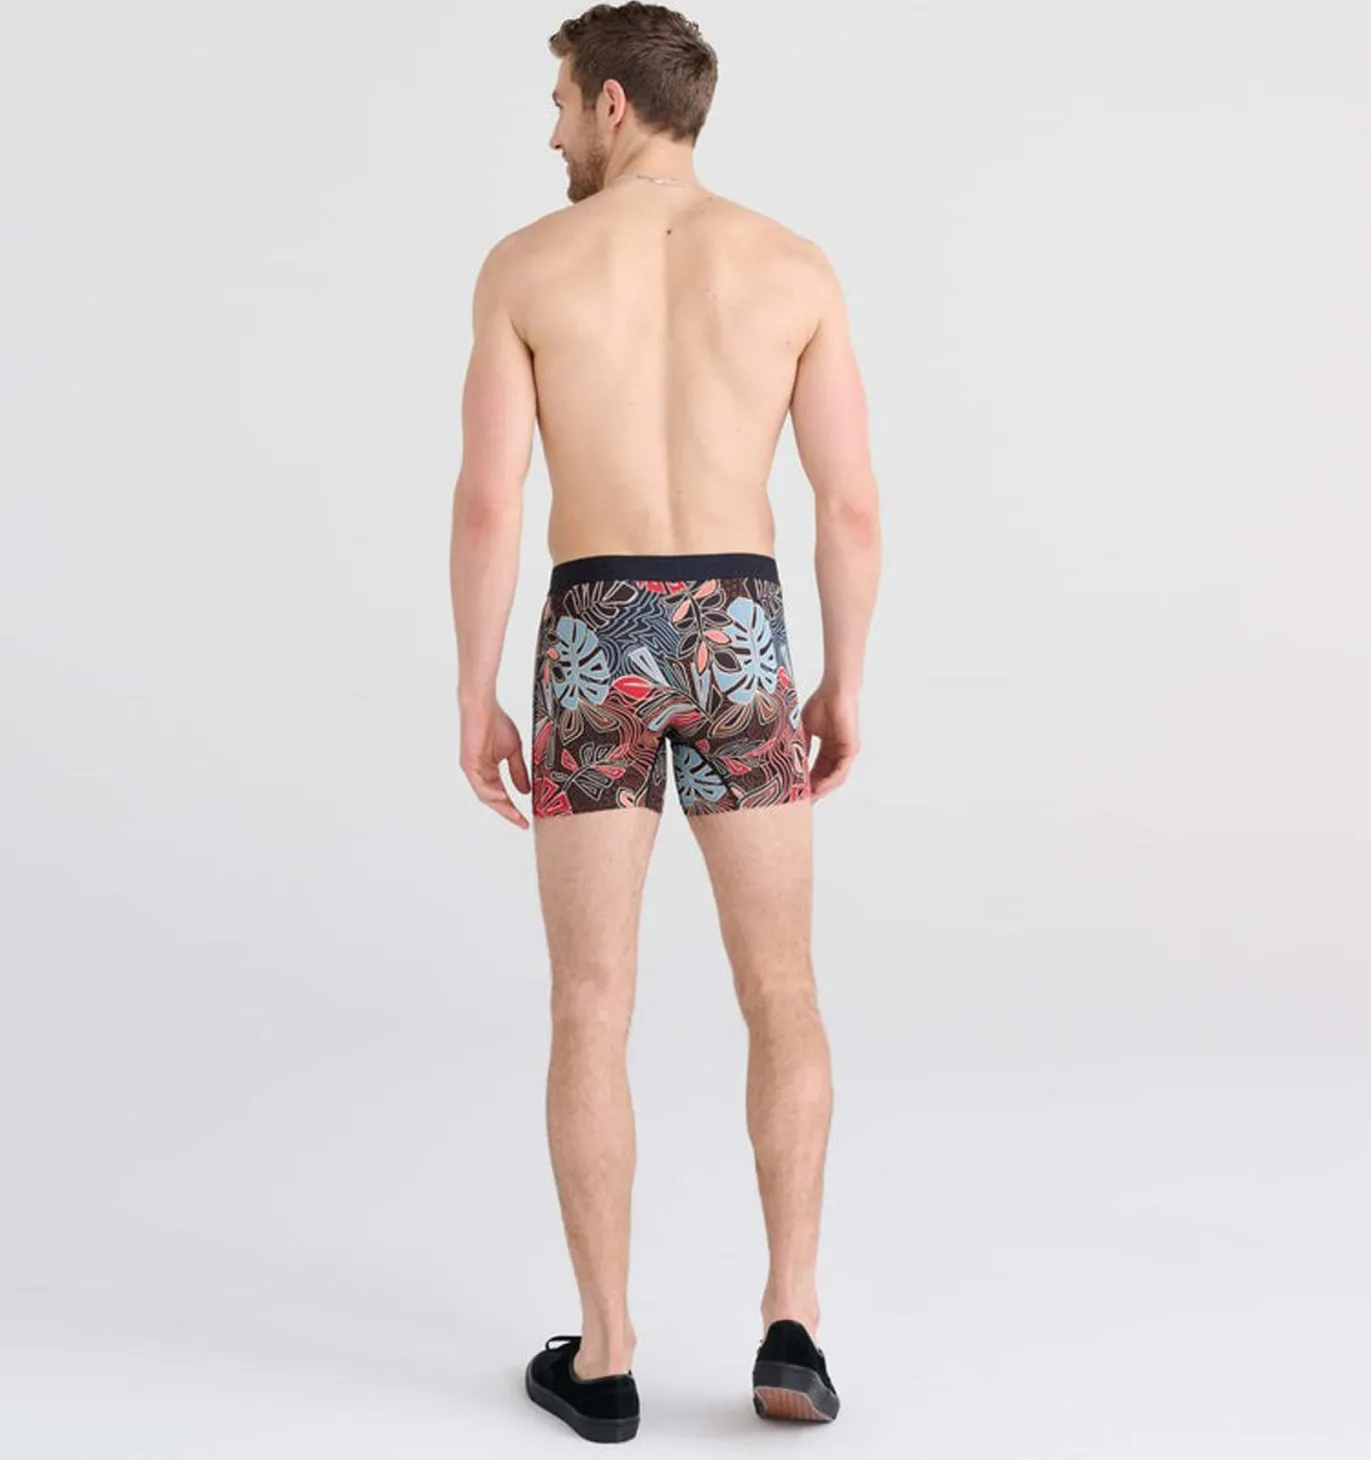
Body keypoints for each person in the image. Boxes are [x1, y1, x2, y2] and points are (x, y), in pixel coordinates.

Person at [448, 1, 880, 1442]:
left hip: (597, 630)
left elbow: (492, 503)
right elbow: (850, 505)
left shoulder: (528, 264)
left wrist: (475, 687)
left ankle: (608, 1354)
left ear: (614, 104)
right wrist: (842, 679)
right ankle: (793, 1324)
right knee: (783, 990)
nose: (553, 130)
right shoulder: (793, 266)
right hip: (742, 628)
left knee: (591, 1003)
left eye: (560, 101)